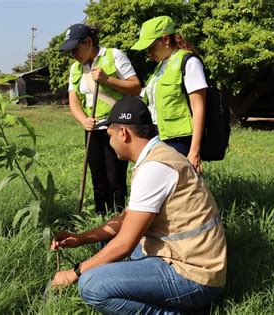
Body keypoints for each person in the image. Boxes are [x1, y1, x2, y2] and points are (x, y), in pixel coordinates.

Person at [51, 96, 227, 314]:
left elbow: (125, 242)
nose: (110, 141)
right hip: (187, 256)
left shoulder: (154, 169)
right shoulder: (157, 155)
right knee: (105, 246)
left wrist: (74, 273)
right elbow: (126, 219)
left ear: (123, 133)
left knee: (90, 285)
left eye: (109, 135)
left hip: (195, 274)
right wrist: (81, 239)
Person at [60, 24, 141, 215]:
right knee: (98, 181)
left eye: (75, 49)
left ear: (88, 42)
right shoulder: (76, 69)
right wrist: (83, 121)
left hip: (116, 128)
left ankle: (119, 221)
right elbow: (74, 101)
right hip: (91, 130)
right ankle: (100, 221)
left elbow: (136, 86)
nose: (73, 55)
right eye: (70, 51)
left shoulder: (113, 56)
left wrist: (108, 80)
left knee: (115, 180)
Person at [132, 16, 207, 174]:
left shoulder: (189, 62)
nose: (148, 53)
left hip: (179, 140)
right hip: (159, 137)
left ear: (165, 39)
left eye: (151, 47)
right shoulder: (160, 67)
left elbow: (198, 107)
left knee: (179, 188)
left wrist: (194, 151)